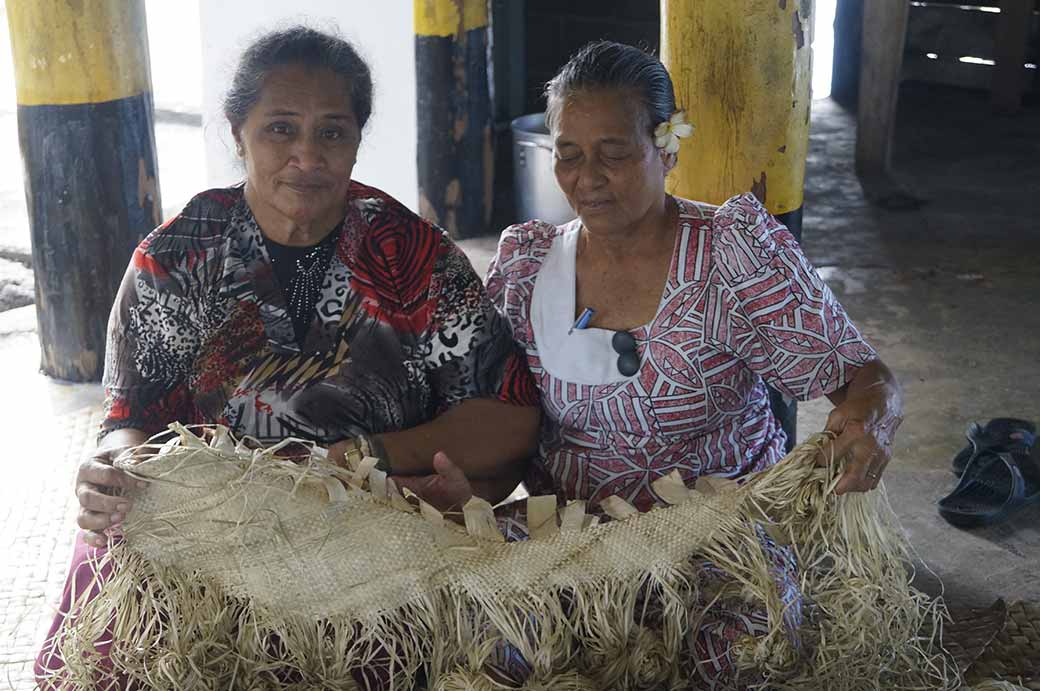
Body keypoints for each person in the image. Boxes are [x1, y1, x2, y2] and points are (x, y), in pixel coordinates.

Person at [37, 26, 540, 687]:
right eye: (280, 128)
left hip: (374, 528)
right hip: (212, 542)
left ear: (358, 139)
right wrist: (109, 467)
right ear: (237, 131)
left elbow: (508, 416)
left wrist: (371, 457)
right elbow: (132, 416)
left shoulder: (414, 258)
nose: (307, 154)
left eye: (332, 131)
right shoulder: (176, 258)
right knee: (109, 630)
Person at [472, 41, 903, 687]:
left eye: (614, 152)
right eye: (568, 154)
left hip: (718, 539)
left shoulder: (731, 255)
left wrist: (871, 419)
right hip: (571, 532)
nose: (588, 176)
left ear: (666, 149)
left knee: (730, 655)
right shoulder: (528, 265)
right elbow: (489, 412)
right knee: (478, 636)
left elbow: (864, 376)